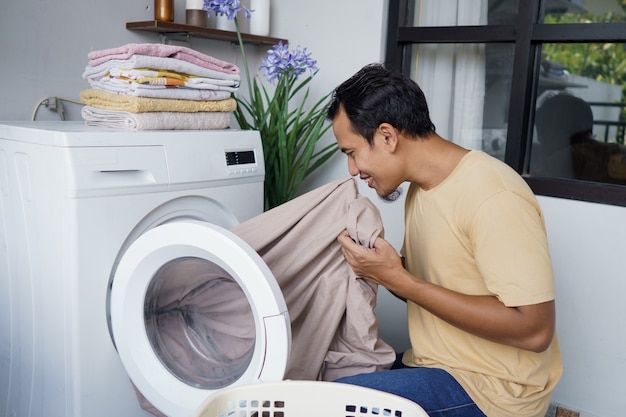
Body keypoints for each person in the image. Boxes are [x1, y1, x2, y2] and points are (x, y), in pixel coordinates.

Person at [326, 63, 562, 417]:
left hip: (493, 389)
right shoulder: (421, 190)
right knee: (323, 370)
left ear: (388, 137)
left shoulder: (492, 194)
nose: (353, 171)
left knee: (330, 403)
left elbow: (534, 330)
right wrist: (384, 270)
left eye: (351, 152)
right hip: (437, 366)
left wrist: (398, 278)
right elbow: (432, 286)